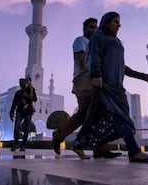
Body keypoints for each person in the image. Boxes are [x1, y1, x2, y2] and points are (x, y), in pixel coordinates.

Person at [71, 11, 148, 163]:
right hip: (105, 86)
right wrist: (96, 75)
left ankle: (79, 143)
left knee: (115, 120)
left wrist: (141, 76)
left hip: (116, 87)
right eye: (116, 22)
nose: (119, 25)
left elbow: (121, 66)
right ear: (106, 23)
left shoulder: (115, 40)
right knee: (121, 118)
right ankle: (134, 151)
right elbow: (93, 57)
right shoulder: (99, 36)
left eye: (119, 22)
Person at [52, 17, 121, 158]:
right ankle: (62, 137)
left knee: (96, 114)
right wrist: (92, 74)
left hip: (96, 80)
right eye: (91, 27)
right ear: (84, 29)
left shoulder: (96, 44)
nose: (94, 30)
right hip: (84, 79)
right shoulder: (80, 41)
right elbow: (81, 60)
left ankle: (100, 149)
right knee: (86, 113)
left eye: (96, 27)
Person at [10, 77, 37, 151]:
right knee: (16, 127)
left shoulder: (30, 90)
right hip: (19, 111)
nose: (21, 84)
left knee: (26, 128)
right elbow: (14, 103)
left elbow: (35, 99)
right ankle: (16, 144)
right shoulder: (18, 93)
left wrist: (30, 91)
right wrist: (11, 111)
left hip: (28, 111)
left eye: (23, 82)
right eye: (20, 82)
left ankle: (23, 145)